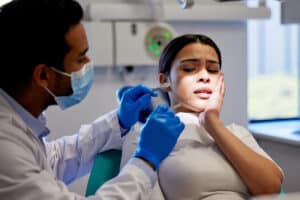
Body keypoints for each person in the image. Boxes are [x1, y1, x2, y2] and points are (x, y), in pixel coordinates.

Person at [0, 0, 185, 199]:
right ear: (43, 75)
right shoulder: (5, 147)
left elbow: (52, 161)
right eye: (80, 58)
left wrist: (120, 121)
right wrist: (146, 161)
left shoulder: (18, 119)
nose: (88, 64)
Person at [120, 34, 284, 200]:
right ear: (165, 80)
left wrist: (212, 122)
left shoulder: (237, 133)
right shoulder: (147, 138)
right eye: (189, 69)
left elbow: (271, 189)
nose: (205, 76)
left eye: (213, 70)